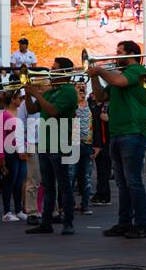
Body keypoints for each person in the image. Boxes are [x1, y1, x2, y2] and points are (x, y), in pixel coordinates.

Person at [88, 40, 146, 239]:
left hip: (132, 132)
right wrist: (94, 78)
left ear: (130, 55)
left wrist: (99, 70)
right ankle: (124, 223)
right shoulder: (119, 75)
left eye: (119, 53)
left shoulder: (137, 70)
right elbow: (99, 97)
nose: (115, 57)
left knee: (133, 181)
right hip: (118, 132)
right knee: (122, 183)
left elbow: (119, 82)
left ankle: (141, 225)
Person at [24, 57, 78, 235]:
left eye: (54, 69)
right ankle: (46, 223)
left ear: (63, 72)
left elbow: (54, 111)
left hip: (59, 144)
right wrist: (28, 93)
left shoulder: (69, 91)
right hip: (45, 143)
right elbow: (32, 109)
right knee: (47, 186)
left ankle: (68, 223)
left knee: (64, 185)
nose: (50, 72)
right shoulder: (50, 90)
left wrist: (37, 93)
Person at [0, 89, 27, 222]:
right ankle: (6, 212)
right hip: (10, 151)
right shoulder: (3, 115)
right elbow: (0, 138)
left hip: (21, 151)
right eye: (20, 98)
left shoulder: (21, 113)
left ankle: (18, 210)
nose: (21, 100)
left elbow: (24, 132)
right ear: (13, 100)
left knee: (20, 181)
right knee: (9, 182)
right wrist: (1, 156)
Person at [70, 82, 96, 215]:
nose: (82, 88)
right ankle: (69, 204)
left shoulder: (91, 105)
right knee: (70, 176)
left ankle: (85, 205)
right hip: (72, 145)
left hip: (87, 145)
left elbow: (97, 124)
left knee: (86, 177)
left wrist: (97, 146)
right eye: (78, 87)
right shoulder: (70, 105)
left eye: (83, 87)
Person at [18, 91, 42, 225]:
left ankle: (54, 211)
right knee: (32, 179)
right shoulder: (24, 104)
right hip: (33, 143)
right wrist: (21, 148)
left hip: (51, 142)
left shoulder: (53, 97)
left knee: (52, 180)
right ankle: (32, 212)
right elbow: (20, 125)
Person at [89, 96, 111, 206]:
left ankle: (103, 195)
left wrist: (108, 118)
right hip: (98, 142)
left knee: (103, 171)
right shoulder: (94, 106)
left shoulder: (107, 106)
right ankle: (103, 194)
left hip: (106, 142)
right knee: (101, 171)